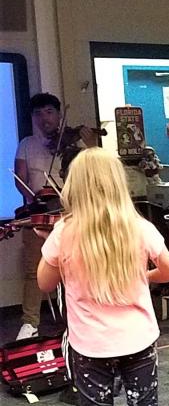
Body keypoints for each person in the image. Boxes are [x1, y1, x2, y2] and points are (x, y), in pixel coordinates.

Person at [38, 148, 169, 406]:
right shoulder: (137, 227)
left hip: (91, 348)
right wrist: (140, 278)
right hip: (139, 340)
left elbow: (44, 284)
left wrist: (55, 254)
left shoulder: (64, 232)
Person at [12, 92, 97, 339]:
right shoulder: (27, 144)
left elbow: (92, 170)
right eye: (38, 114)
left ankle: (79, 318)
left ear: (59, 114)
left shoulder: (73, 141)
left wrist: (89, 145)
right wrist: (32, 199)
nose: (43, 118)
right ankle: (30, 322)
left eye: (49, 112)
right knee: (33, 269)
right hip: (40, 211)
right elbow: (20, 179)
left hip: (71, 211)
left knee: (78, 267)